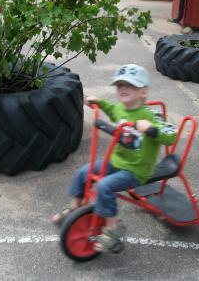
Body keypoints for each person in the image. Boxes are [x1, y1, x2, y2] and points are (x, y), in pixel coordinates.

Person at [52, 64, 178, 253]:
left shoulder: (151, 115)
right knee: (83, 172)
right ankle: (75, 208)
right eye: (119, 85)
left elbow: (171, 134)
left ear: (143, 92)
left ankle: (113, 228)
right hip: (116, 162)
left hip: (136, 170)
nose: (123, 88)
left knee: (105, 186)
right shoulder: (120, 109)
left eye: (130, 85)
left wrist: (151, 129)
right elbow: (112, 110)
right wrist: (99, 103)